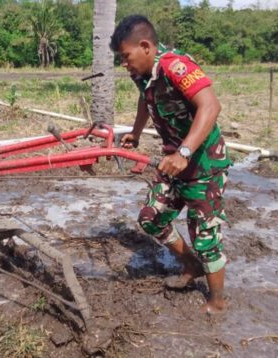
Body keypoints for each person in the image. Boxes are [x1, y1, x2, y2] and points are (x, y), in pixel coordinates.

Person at [110, 15, 232, 314]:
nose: (124, 64)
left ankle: (217, 302)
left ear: (145, 46)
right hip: (173, 161)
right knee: (152, 218)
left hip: (203, 164)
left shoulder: (175, 66)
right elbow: (145, 100)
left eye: (125, 56)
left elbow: (211, 105)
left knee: (205, 238)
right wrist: (135, 133)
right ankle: (190, 265)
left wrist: (184, 152)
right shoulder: (142, 74)